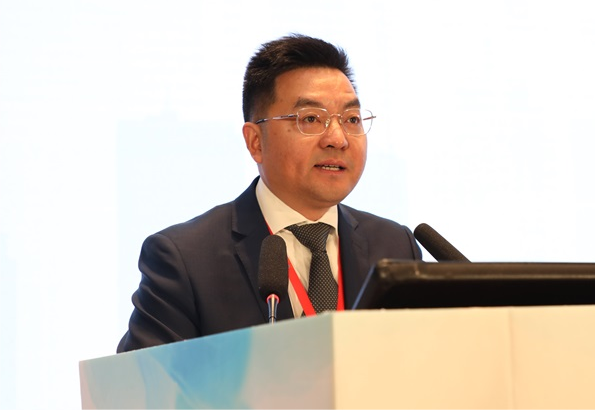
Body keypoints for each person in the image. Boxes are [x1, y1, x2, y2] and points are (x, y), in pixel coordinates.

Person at [117, 34, 422, 353]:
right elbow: (142, 380)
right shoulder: (186, 259)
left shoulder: (395, 246)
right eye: (310, 119)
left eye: (352, 119)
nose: (338, 138)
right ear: (255, 142)